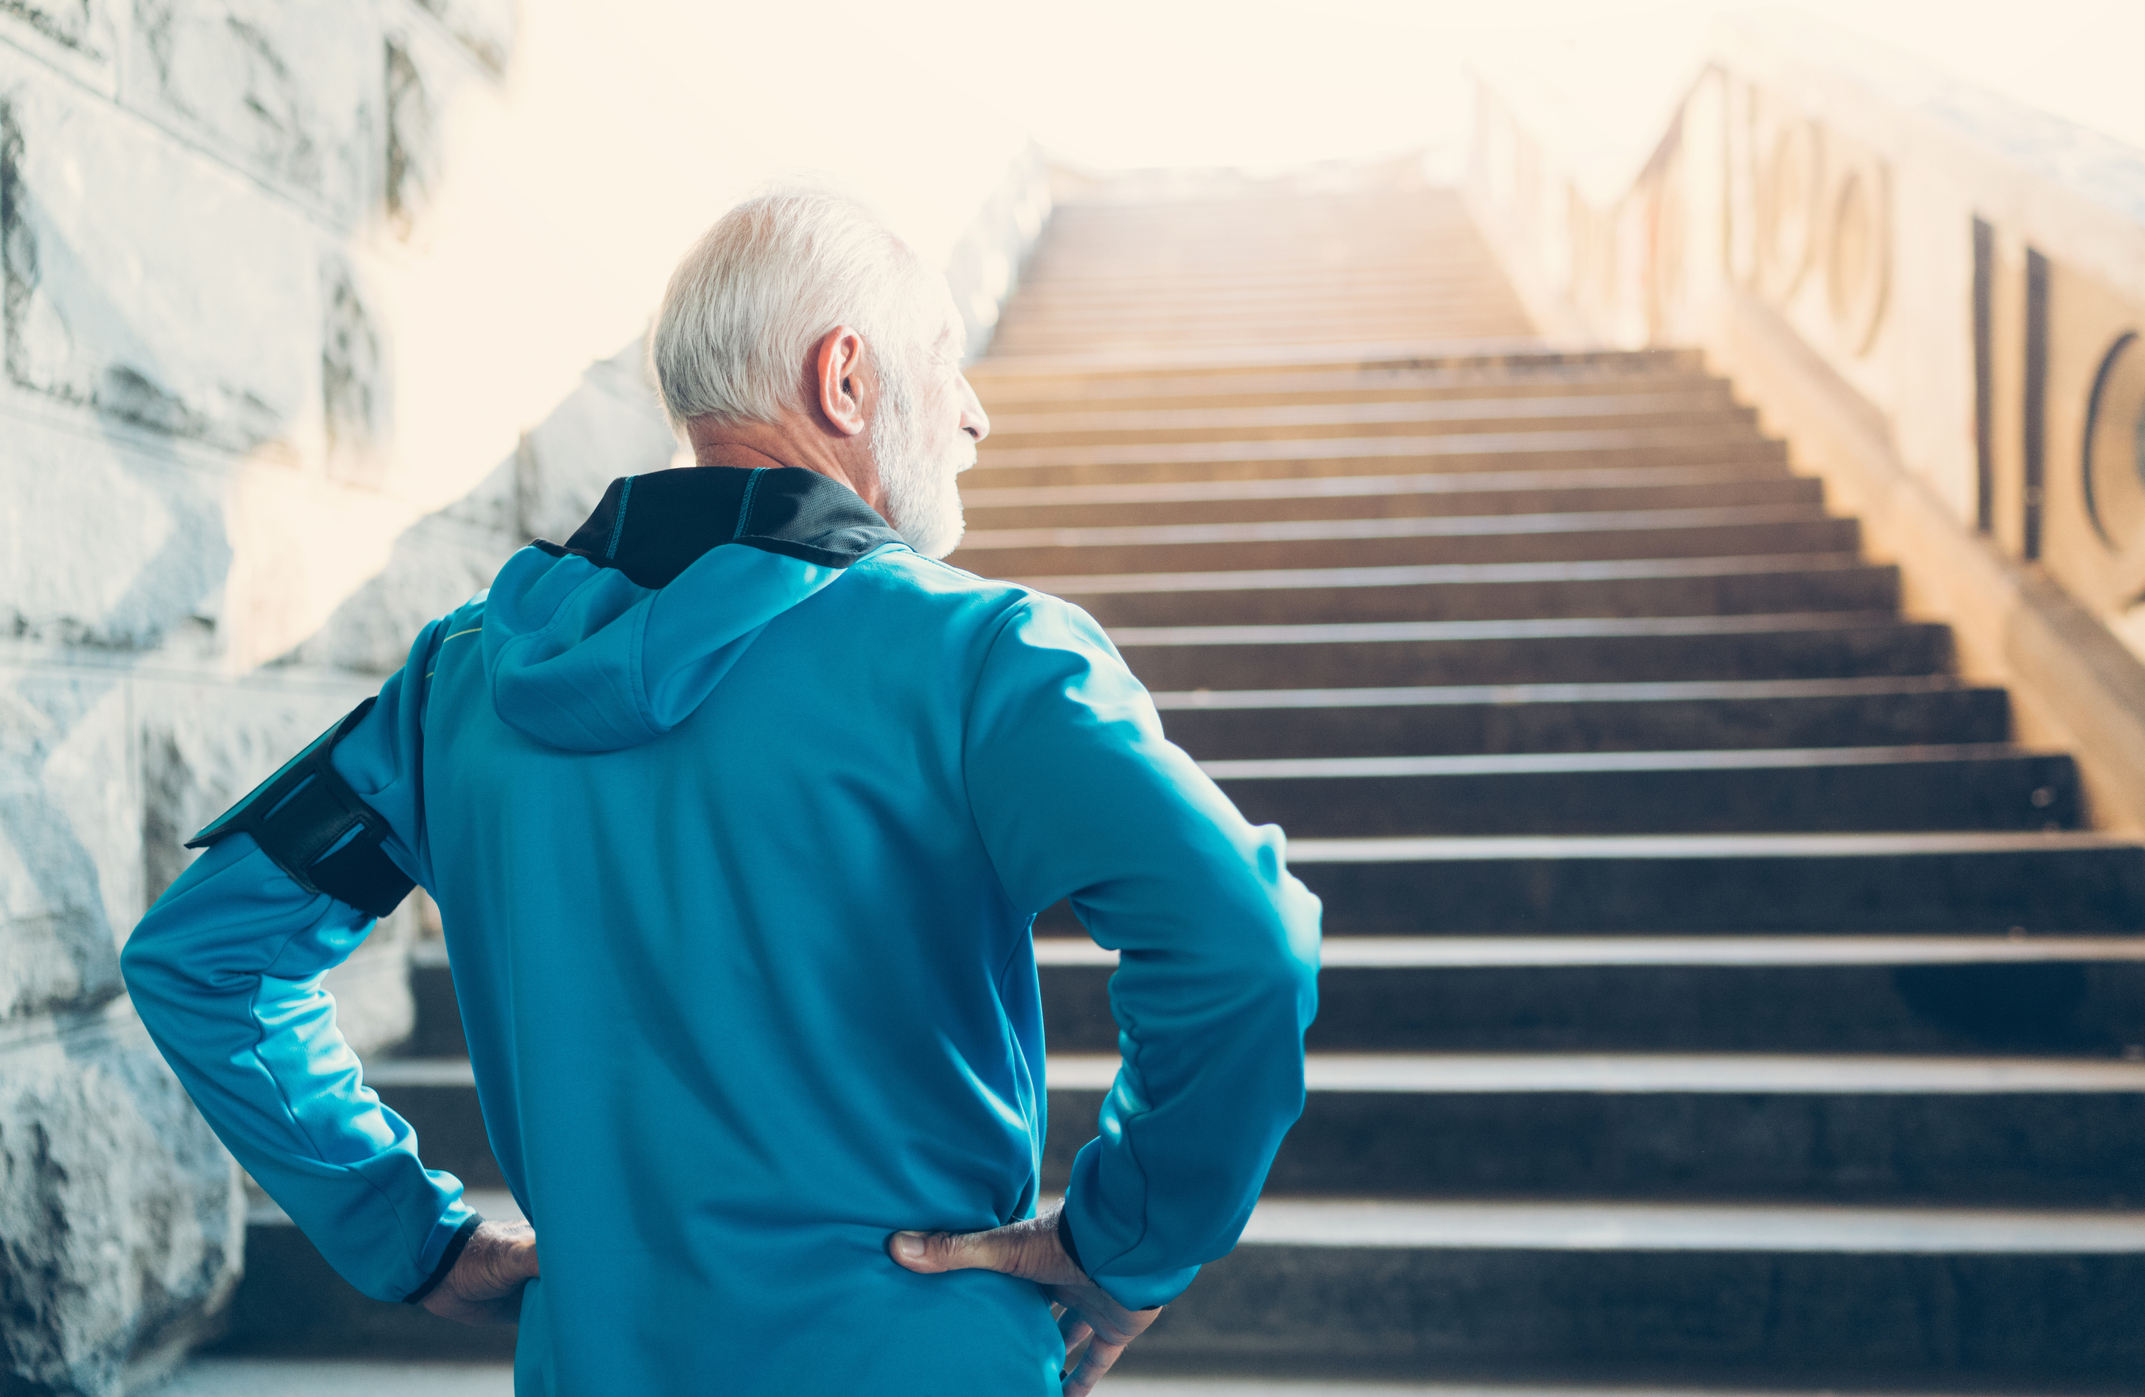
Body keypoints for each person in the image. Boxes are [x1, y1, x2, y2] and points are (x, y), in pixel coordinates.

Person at [121, 189, 1322, 1395]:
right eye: (948, 364)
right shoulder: (987, 656)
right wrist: (1129, 1243)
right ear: (844, 379)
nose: (975, 414)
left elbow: (203, 955)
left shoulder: (455, 686)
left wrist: (408, 1236)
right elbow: (1242, 940)